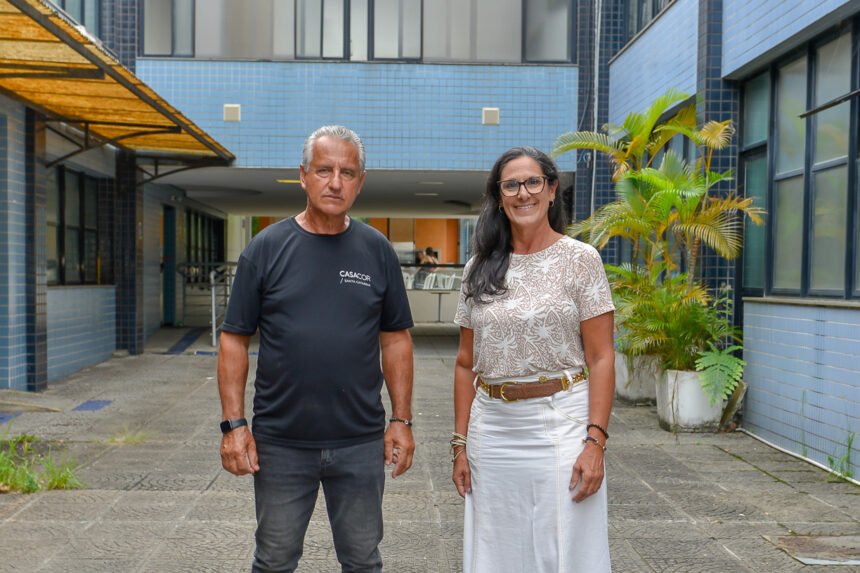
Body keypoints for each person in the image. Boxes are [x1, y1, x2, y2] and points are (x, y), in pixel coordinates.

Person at [218, 125, 415, 573]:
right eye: (324, 170)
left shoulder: (377, 250)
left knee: (364, 561)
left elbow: (396, 338)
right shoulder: (265, 249)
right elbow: (234, 337)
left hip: (360, 442)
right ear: (302, 175)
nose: (336, 182)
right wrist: (234, 425)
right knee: (274, 559)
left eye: (348, 172)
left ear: (361, 181)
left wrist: (401, 420)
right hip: (281, 443)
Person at [451, 146, 615, 572]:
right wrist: (460, 446)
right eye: (511, 185)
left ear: (550, 189)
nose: (523, 193)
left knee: (565, 549)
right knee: (496, 550)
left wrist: (595, 442)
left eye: (532, 182)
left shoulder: (581, 260)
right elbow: (465, 362)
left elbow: (601, 357)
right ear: (499, 197)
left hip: (561, 421)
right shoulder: (478, 268)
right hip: (493, 429)